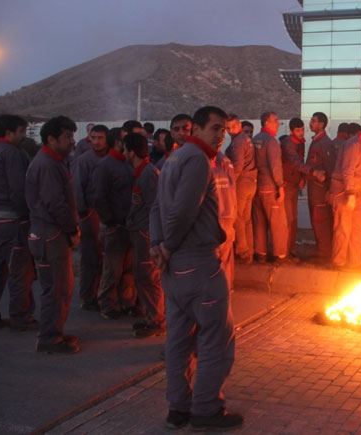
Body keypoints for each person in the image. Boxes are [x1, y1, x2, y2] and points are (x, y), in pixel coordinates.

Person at [149, 106, 242, 430]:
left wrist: (158, 247)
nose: (221, 136)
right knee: (216, 338)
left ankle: (179, 408)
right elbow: (183, 211)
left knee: (178, 339)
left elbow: (157, 207)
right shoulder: (197, 161)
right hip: (198, 264)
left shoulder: (173, 158)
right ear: (197, 129)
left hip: (175, 268)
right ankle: (206, 410)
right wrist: (167, 246)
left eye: (224, 131)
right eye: (215, 129)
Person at [26, 116, 80, 354]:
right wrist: (72, 229)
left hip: (49, 232)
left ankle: (54, 332)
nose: (72, 142)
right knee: (56, 289)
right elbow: (55, 203)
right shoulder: (47, 164)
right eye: (67, 136)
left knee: (59, 287)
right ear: (51, 139)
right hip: (50, 234)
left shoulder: (54, 161)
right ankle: (49, 338)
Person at [0, 114, 36, 332]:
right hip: (12, 219)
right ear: (9, 133)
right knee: (20, 270)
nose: (24, 136)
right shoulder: (13, 154)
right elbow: (18, 190)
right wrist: (27, 215)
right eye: (22, 131)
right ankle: (20, 316)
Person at [89, 127, 137, 319]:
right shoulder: (105, 166)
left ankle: (127, 302)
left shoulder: (130, 164)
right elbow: (99, 197)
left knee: (129, 268)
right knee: (112, 268)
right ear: (118, 142)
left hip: (131, 225)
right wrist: (109, 221)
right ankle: (107, 303)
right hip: (115, 226)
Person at [122, 133, 165, 338]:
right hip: (139, 232)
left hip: (146, 234)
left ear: (131, 152)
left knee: (149, 277)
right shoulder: (139, 172)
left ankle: (156, 319)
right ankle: (151, 316)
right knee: (142, 276)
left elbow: (155, 208)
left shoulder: (149, 174)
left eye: (124, 149)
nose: (123, 154)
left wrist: (153, 237)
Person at [330, 119, 361, 269]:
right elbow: (348, 170)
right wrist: (350, 193)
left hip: (357, 192)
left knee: (358, 229)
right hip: (343, 192)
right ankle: (339, 262)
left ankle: (354, 261)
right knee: (343, 228)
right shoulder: (354, 144)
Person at [71, 124, 111, 311]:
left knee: (109, 257)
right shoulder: (84, 159)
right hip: (91, 214)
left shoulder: (113, 157)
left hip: (109, 214)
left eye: (100, 138)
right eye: (93, 138)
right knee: (89, 257)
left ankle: (107, 294)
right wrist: (82, 212)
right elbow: (78, 186)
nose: (96, 141)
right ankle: (88, 296)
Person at [281, 117, 325, 257]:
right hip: (286, 184)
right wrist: (313, 172)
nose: (301, 133)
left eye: (302, 130)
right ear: (291, 131)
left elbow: (301, 161)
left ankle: (291, 248)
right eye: (298, 131)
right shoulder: (288, 144)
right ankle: (284, 251)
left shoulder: (301, 143)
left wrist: (301, 178)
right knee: (288, 219)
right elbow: (296, 162)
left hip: (294, 184)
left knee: (294, 218)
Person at [252, 111, 288, 262]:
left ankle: (260, 253)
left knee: (259, 221)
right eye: (275, 120)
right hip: (269, 186)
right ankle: (279, 254)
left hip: (256, 186)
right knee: (278, 222)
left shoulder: (254, 140)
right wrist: (280, 185)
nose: (278, 123)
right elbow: (275, 166)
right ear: (266, 123)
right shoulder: (271, 141)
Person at [224, 114, 256, 263]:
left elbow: (237, 165)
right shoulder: (246, 139)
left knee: (237, 217)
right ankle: (250, 249)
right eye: (228, 128)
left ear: (239, 125)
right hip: (251, 181)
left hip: (241, 182)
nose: (231, 130)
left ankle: (243, 251)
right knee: (247, 218)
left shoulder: (237, 142)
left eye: (233, 126)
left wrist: (230, 184)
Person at [305, 112, 335, 262]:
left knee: (321, 220)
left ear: (321, 124)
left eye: (314, 121)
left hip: (320, 190)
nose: (310, 123)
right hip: (313, 188)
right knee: (315, 220)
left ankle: (325, 252)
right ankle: (320, 250)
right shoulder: (315, 141)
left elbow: (331, 168)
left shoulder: (325, 143)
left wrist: (329, 190)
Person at [214, 151, 237, 289]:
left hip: (215, 222)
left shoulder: (206, 173)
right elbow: (232, 191)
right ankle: (226, 292)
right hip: (227, 219)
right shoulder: (222, 172)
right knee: (226, 263)